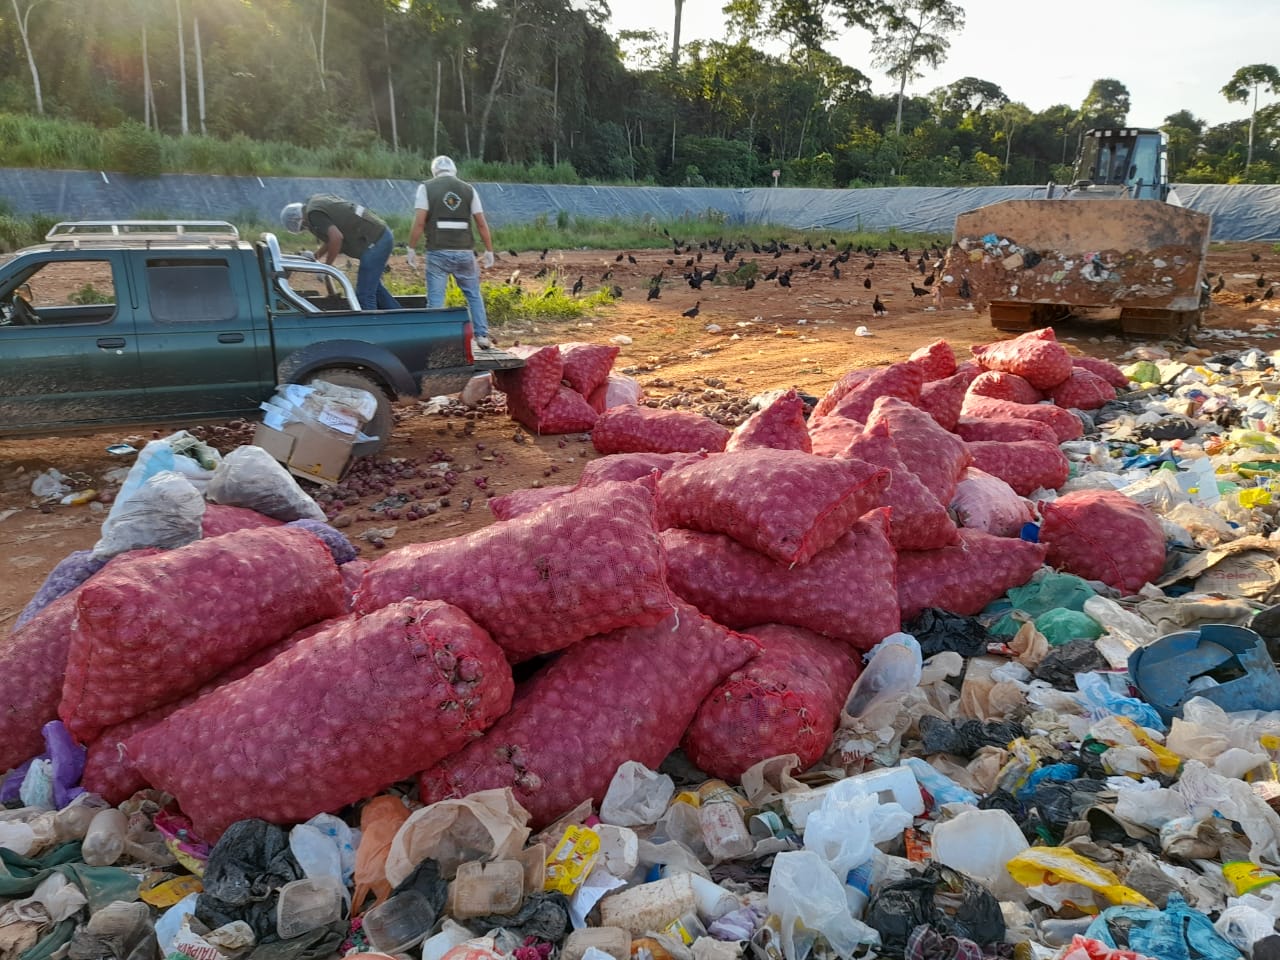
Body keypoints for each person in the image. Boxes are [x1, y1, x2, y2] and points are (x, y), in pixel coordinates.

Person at [406, 155, 495, 349]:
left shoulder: (426, 188)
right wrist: (489, 250)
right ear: (454, 170)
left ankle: (435, 340)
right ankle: (481, 336)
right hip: (465, 252)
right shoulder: (469, 189)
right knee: (473, 294)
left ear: (434, 171)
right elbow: (481, 223)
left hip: (437, 252)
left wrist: (411, 247)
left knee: (436, 300)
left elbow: (419, 222)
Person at [280, 195, 400, 311]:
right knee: (373, 288)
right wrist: (316, 256)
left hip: (376, 241)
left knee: (364, 295)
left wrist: (326, 268)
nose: (305, 229)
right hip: (379, 235)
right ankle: (400, 316)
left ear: (298, 220)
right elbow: (330, 238)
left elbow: (336, 238)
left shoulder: (314, 215)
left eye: (303, 227)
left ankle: (370, 323)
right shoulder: (314, 204)